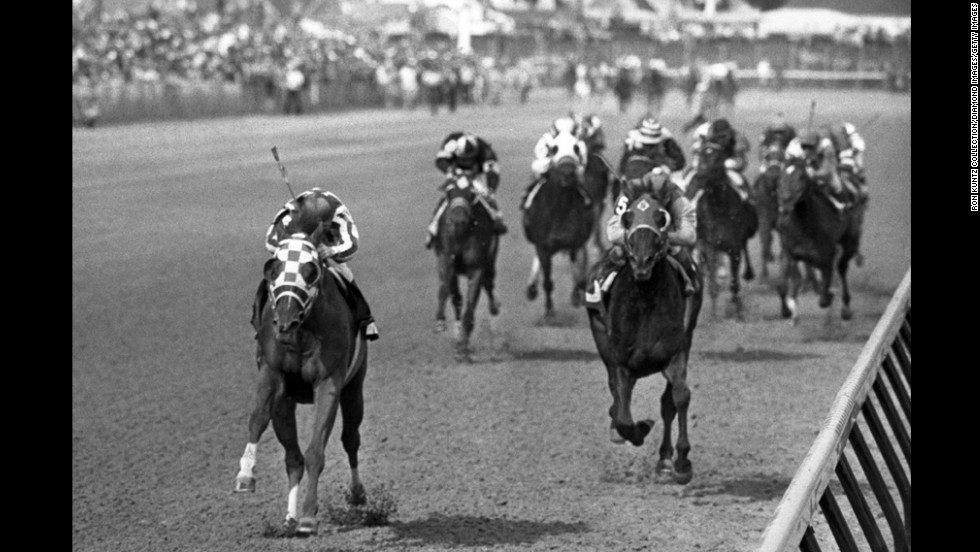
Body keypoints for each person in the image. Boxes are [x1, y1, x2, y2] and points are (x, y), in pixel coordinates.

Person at [255, 188, 379, 341]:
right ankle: (259, 319)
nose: (323, 226)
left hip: (328, 242)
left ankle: (365, 318)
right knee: (274, 274)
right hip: (296, 241)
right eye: (319, 224)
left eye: (326, 224)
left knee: (342, 271)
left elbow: (352, 246)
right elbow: (270, 242)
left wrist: (332, 251)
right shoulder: (289, 215)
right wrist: (297, 245)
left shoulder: (340, 216)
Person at [585, 166, 700, 307]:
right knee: (617, 252)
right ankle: (602, 283)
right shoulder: (629, 193)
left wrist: (660, 237)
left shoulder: (676, 197)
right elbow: (613, 233)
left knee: (678, 252)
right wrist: (638, 238)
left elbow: (689, 236)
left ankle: (690, 283)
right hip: (633, 239)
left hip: (663, 240)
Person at [425, 132, 507, 249]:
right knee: (448, 197)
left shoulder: (486, 151)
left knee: (486, 197)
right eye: (464, 159)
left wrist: (490, 189)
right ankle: (433, 227)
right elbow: (440, 160)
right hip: (457, 174)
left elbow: (492, 173)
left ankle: (496, 218)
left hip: (476, 175)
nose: (467, 162)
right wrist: (451, 170)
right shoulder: (451, 143)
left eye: (470, 159)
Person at [524, 116, 592, 208]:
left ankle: (528, 199)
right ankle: (529, 198)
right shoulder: (547, 139)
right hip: (550, 167)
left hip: (566, 168)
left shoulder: (576, 141)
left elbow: (582, 159)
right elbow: (539, 156)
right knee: (540, 179)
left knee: (578, 182)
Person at [689, 118, 751, 199]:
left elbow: (741, 159)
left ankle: (743, 196)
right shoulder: (708, 136)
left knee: (735, 177)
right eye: (719, 137)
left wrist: (726, 163)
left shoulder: (737, 138)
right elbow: (701, 151)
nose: (722, 140)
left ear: (729, 133)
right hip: (713, 165)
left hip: (731, 163)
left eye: (724, 136)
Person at [786, 129, 850, 206]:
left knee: (835, 183)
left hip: (821, 170)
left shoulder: (826, 148)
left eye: (810, 147)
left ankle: (843, 204)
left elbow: (827, 170)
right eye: (804, 146)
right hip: (803, 173)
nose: (807, 150)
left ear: (816, 144)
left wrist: (814, 174)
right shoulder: (793, 149)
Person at [619, 116, 686, 175]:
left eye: (652, 145)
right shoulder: (632, 145)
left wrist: (667, 168)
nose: (649, 148)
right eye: (646, 144)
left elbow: (680, 161)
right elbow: (622, 168)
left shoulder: (668, 143)